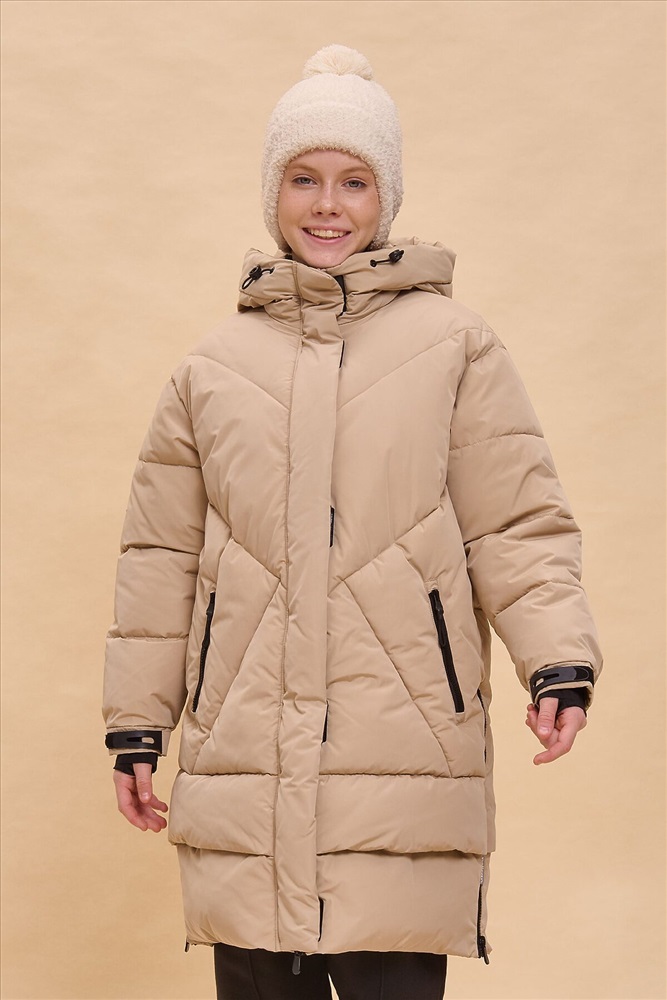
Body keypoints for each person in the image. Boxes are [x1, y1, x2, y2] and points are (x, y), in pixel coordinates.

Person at [103, 44, 603, 1000]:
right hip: (246, 770)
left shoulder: (455, 348)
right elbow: (160, 559)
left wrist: (556, 660)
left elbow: (515, 522)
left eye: (354, 181)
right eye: (303, 178)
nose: (327, 205)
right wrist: (136, 725)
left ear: (386, 197)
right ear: (273, 193)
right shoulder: (211, 369)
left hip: (403, 760)